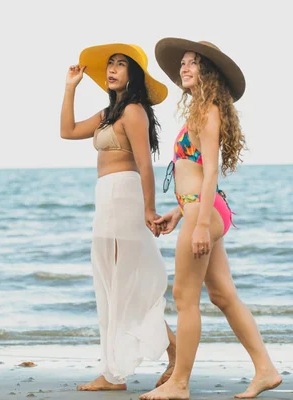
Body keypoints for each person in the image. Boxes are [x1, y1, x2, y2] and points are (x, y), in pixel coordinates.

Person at [139, 38, 282, 400]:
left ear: (209, 72)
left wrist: (199, 223)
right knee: (222, 294)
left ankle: (180, 383)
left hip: (206, 213)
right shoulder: (201, 110)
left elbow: (212, 171)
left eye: (193, 62)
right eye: (183, 62)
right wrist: (180, 213)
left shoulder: (209, 111)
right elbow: (195, 174)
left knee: (185, 297)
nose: (185, 67)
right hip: (201, 208)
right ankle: (265, 369)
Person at [60, 43, 176, 391]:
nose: (112, 69)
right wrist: (70, 88)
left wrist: (149, 208)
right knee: (110, 285)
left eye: (120, 64)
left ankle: (170, 356)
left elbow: (144, 165)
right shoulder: (108, 114)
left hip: (125, 196)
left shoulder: (134, 112)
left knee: (127, 285)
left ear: (134, 74)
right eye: (110, 64)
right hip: (106, 199)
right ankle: (114, 372)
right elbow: (66, 131)